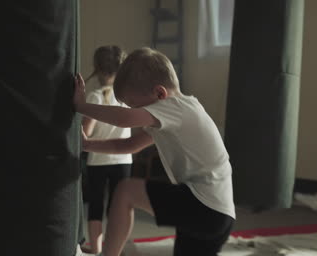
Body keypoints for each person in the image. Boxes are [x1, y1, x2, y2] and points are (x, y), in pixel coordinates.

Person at [74, 47, 235, 256]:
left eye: (135, 107)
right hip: (218, 212)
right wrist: (88, 145)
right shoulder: (177, 116)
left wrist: (80, 106)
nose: (135, 113)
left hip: (203, 203)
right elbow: (128, 145)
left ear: (160, 93)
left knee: (125, 192)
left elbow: (125, 119)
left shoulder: (175, 107)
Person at [80, 46, 132, 254]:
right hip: (124, 160)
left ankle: (96, 249)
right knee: (118, 208)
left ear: (98, 69)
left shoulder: (95, 97)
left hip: (99, 161)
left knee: (96, 205)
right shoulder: (127, 97)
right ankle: (115, 249)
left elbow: (87, 132)